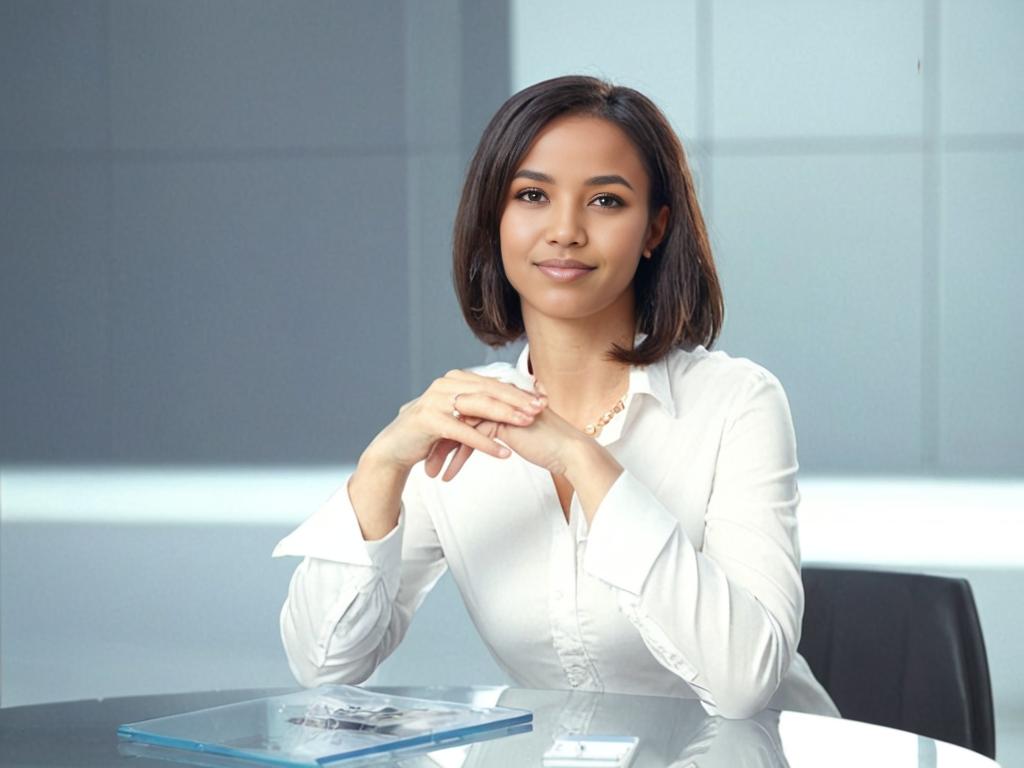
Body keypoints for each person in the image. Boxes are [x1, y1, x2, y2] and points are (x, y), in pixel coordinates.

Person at [273, 75, 838, 720]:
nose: (565, 230)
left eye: (604, 201)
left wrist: (581, 458)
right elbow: (323, 668)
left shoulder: (738, 403)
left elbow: (744, 683)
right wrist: (381, 469)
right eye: (533, 195)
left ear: (654, 229)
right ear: (496, 219)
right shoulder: (464, 421)